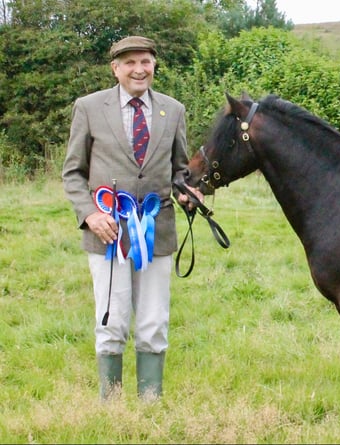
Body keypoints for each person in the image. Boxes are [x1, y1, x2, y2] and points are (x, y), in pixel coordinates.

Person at [62, 35, 202, 401]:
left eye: (145, 62)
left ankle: (150, 404)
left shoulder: (173, 110)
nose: (139, 69)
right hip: (107, 233)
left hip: (158, 232)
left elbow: (179, 171)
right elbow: (73, 173)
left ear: (154, 65)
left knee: (154, 321)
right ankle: (112, 406)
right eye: (130, 63)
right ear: (116, 68)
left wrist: (189, 194)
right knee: (112, 318)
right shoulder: (89, 108)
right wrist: (90, 214)